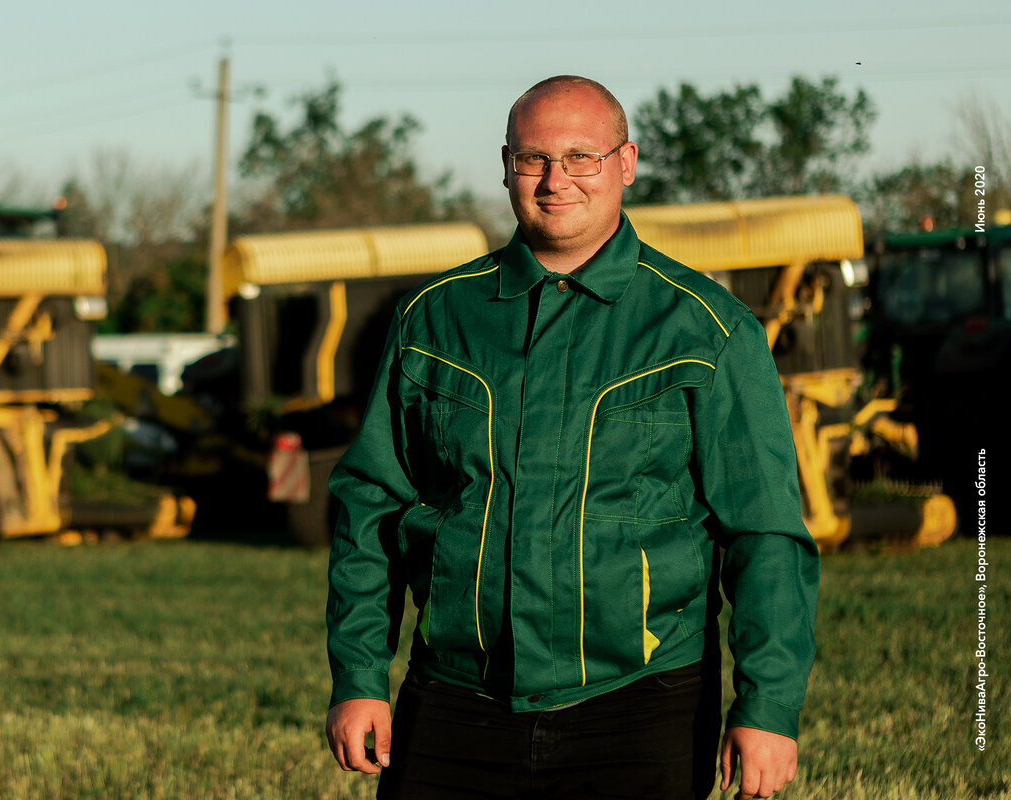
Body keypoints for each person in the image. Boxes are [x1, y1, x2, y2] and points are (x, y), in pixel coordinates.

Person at [325, 75, 819, 800]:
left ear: (626, 162)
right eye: (533, 160)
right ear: (505, 166)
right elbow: (369, 511)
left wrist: (769, 707)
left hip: (642, 702)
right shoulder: (432, 320)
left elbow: (765, 533)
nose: (557, 181)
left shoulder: (704, 329)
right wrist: (360, 677)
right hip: (459, 698)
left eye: (581, 157)